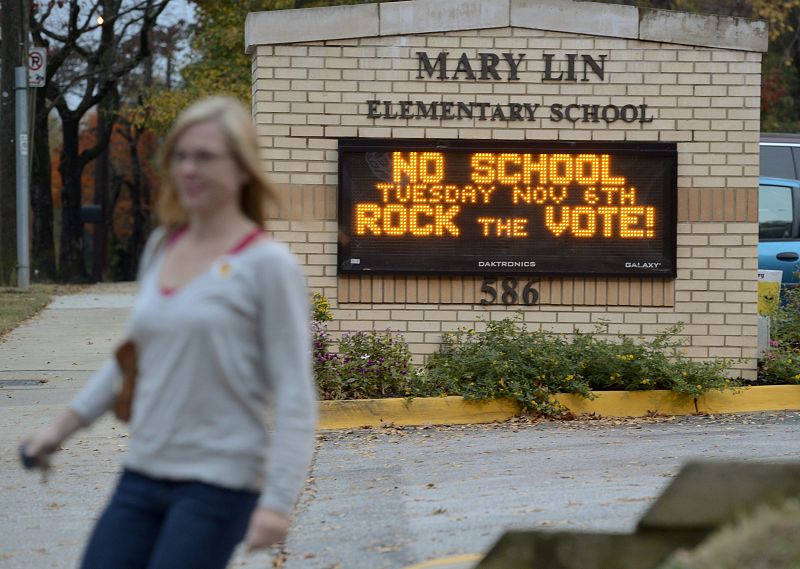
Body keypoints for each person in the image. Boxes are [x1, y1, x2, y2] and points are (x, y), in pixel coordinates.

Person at [20, 96, 318, 569]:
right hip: (143, 472)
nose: (188, 168)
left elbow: (296, 394)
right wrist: (58, 431)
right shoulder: (164, 244)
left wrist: (279, 501)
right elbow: (133, 358)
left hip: (218, 484)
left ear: (242, 168)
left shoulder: (268, 265)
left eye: (204, 156)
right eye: (180, 156)